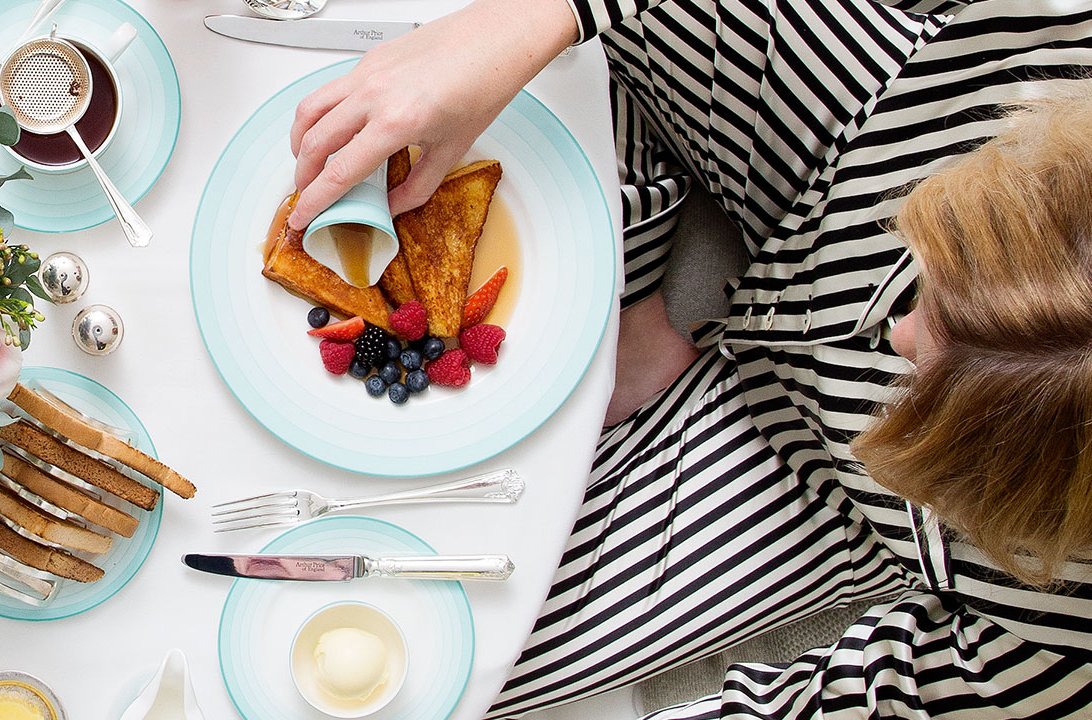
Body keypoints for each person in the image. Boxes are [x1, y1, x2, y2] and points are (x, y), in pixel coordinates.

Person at [287, 0, 1092, 717]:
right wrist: (529, 17)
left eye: (926, 392)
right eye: (929, 277)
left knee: (413, 650)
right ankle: (663, 262)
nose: (893, 339)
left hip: (803, 474)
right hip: (840, 130)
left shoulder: (1058, 654)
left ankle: (654, 259)